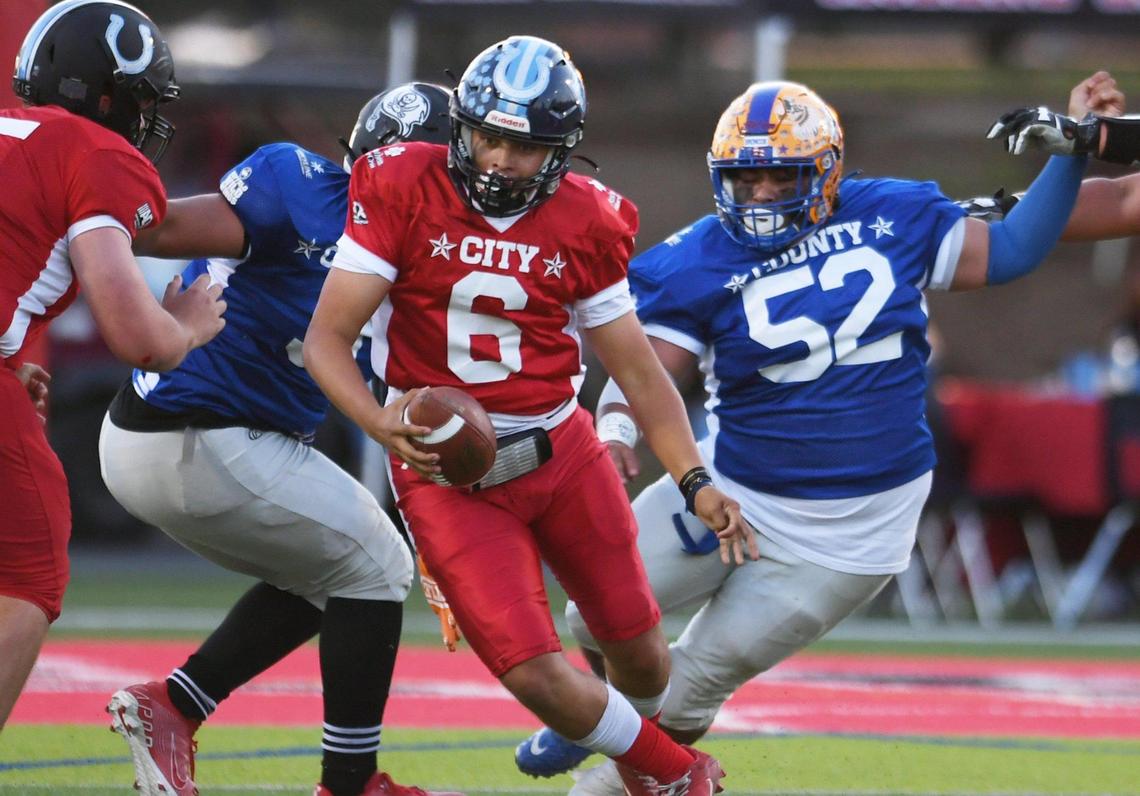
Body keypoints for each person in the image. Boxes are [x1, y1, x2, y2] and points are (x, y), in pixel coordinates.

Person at [507, 78, 1096, 793]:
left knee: (691, 685)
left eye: (778, 174)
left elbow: (1012, 249)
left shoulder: (893, 213)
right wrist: (618, 426)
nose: (758, 193)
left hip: (849, 529)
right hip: (734, 485)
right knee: (594, 618)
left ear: (826, 170)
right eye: (742, 176)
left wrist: (1074, 151)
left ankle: (622, 774)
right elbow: (649, 372)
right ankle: (594, 715)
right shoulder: (694, 257)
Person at [304, 35, 750, 796]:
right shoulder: (400, 183)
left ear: (561, 150)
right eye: (488, 137)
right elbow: (326, 341)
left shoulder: (589, 219)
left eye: (525, 145)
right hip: (446, 469)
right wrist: (378, 426)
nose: (501, 159)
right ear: (461, 126)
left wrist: (695, 478)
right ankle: (680, 776)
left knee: (642, 654)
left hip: (562, 452)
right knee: (534, 673)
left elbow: (640, 373)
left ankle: (637, 772)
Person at [98, 84, 462, 796]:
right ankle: (349, 785)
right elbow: (155, 229)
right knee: (374, 562)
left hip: (201, 439)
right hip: (195, 429)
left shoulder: (426, 255)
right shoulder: (295, 186)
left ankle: (173, 706)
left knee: (343, 570)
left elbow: (408, 402)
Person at [0, 0, 226, 730]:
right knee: (27, 573)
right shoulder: (95, 152)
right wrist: (186, 326)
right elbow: (139, 338)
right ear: (110, 94)